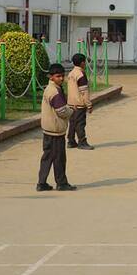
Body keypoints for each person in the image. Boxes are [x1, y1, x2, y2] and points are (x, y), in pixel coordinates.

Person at [37, 63, 76, 192]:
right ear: (51, 76)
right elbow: (61, 111)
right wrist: (71, 111)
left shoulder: (50, 88)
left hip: (48, 129)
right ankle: (61, 183)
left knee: (47, 157)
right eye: (58, 76)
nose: (61, 78)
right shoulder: (54, 91)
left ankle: (41, 183)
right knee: (59, 158)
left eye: (62, 76)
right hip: (55, 130)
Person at [66, 53, 94, 150]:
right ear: (82, 63)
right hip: (79, 103)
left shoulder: (71, 73)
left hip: (70, 103)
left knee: (72, 122)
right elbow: (84, 92)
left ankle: (71, 141)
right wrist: (89, 105)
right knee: (80, 123)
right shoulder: (81, 75)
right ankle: (82, 142)